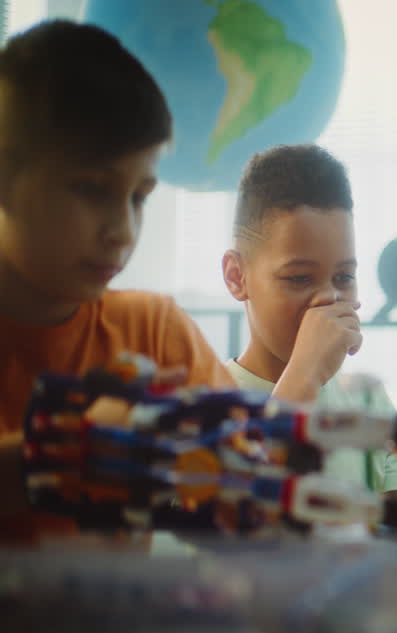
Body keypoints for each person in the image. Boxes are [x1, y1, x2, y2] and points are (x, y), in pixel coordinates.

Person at [0, 21, 233, 519]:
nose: (123, 232)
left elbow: (246, 473)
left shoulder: (154, 333)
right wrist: (68, 453)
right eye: (90, 188)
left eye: (139, 197)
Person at [220, 144, 397, 492]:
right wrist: (303, 375)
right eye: (299, 278)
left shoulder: (369, 403)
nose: (327, 299)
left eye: (344, 278)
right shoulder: (203, 405)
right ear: (237, 276)